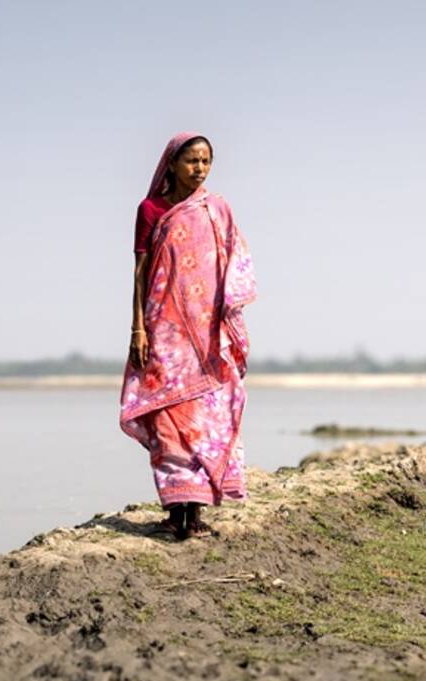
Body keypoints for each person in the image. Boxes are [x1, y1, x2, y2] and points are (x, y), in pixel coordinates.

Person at [119, 133, 257, 542]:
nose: (199, 168)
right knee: (167, 420)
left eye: (206, 161)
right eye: (191, 161)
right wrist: (138, 328)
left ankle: (193, 515)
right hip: (164, 331)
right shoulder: (151, 210)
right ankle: (172, 510)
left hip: (207, 334)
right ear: (172, 164)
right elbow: (140, 274)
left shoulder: (216, 210)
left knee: (203, 420)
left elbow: (236, 262)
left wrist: (228, 320)